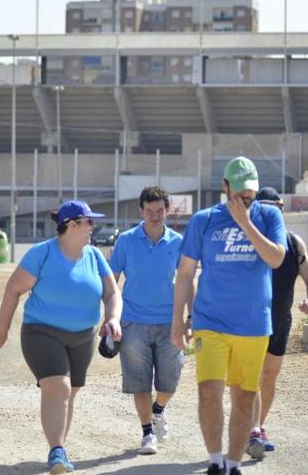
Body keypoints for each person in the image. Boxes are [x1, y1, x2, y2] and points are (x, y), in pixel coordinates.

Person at [172, 157, 286, 475]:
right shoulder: (204, 220)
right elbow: (184, 274)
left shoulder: (269, 215)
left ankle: (234, 464)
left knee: (245, 397)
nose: (245, 200)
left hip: (253, 324)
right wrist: (176, 323)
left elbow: (277, 259)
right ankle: (214, 461)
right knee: (208, 392)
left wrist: (247, 224)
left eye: (249, 194)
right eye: (238, 195)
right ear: (224, 188)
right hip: (210, 321)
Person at [0, 200, 123, 475]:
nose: (93, 227)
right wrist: (2, 330)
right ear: (72, 225)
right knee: (58, 388)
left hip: (83, 336)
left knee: (69, 392)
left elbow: (112, 294)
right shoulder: (43, 254)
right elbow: (13, 289)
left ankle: (59, 448)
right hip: (42, 331)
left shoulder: (94, 255)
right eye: (89, 222)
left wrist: (112, 318)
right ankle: (56, 451)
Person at [108, 186, 191, 455]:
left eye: (160, 211)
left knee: (169, 381)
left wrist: (191, 316)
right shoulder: (126, 240)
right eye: (149, 211)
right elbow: (112, 280)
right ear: (141, 211)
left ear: (167, 210)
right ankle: (147, 434)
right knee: (139, 381)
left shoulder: (179, 242)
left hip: (170, 322)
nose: (155, 216)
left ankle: (158, 410)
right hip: (132, 321)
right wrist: (111, 317)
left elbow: (187, 281)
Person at [247, 187, 308, 458]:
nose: (268, 213)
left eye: (273, 208)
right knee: (251, 378)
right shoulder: (248, 241)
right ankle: (252, 428)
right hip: (250, 321)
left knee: (269, 376)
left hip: (280, 321)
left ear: (280, 209)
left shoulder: (293, 243)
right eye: (262, 208)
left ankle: (259, 425)